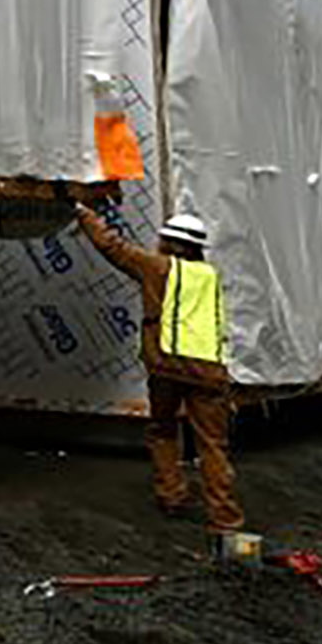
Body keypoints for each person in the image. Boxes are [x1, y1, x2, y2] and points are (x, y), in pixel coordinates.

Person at [75, 204, 243, 532]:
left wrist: (83, 213)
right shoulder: (211, 276)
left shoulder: (158, 268)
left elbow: (111, 246)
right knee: (212, 444)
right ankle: (225, 520)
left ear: (167, 243)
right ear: (198, 248)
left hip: (167, 365)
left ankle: (172, 496)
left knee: (163, 431)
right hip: (209, 371)